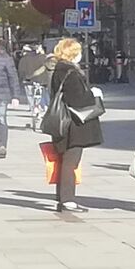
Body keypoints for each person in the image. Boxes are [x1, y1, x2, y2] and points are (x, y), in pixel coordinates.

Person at [45, 38, 102, 213]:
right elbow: (77, 99)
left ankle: (62, 197)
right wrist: (93, 94)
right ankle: (68, 200)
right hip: (73, 125)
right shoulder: (70, 72)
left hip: (62, 122)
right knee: (70, 162)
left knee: (64, 161)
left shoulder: (58, 69)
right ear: (73, 54)